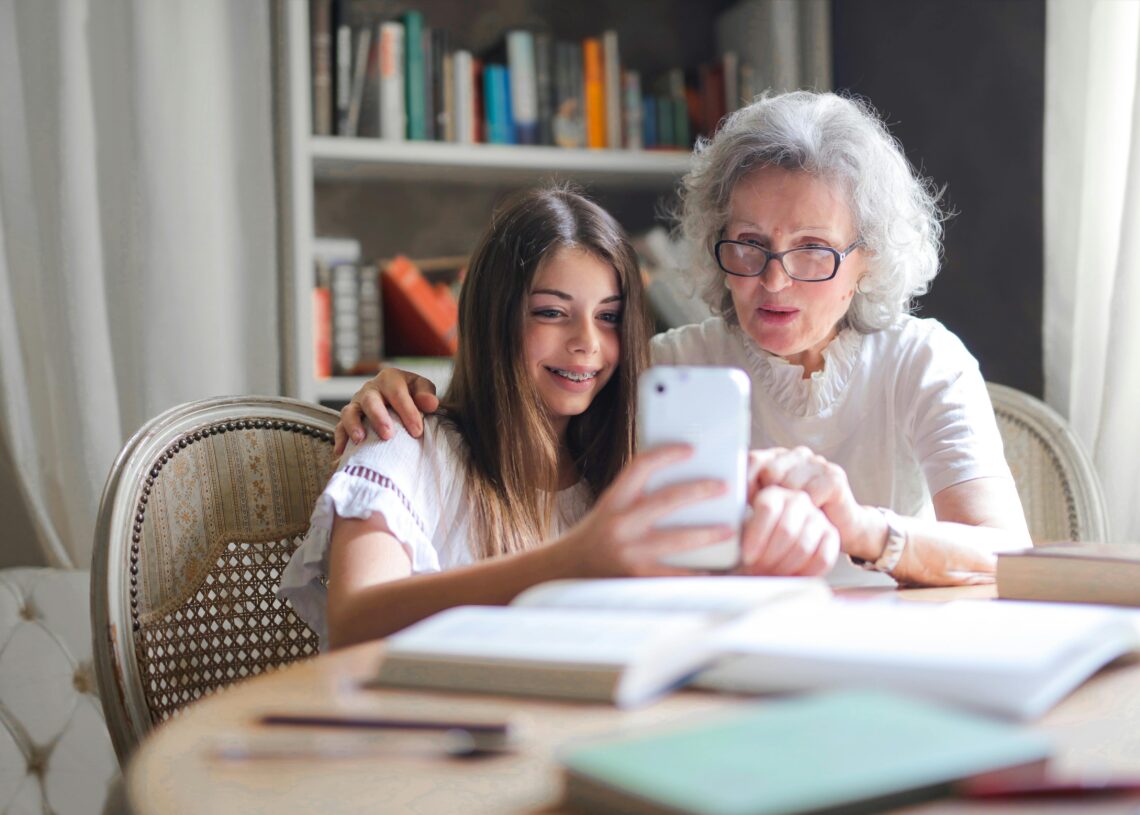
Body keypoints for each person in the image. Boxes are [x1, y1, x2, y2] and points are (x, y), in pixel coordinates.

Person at [338, 91, 1031, 589]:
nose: (774, 282)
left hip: (896, 660)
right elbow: (524, 416)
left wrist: (862, 528)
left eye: (814, 251)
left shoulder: (923, 359)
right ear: (713, 240)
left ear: (868, 259)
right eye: (749, 245)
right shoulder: (664, 368)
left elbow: (1007, 554)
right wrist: (401, 391)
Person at [278, 186, 839, 650]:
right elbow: (354, 622)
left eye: (610, 317)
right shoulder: (405, 442)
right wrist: (573, 560)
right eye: (552, 313)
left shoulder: (625, 470)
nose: (587, 345)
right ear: (494, 319)